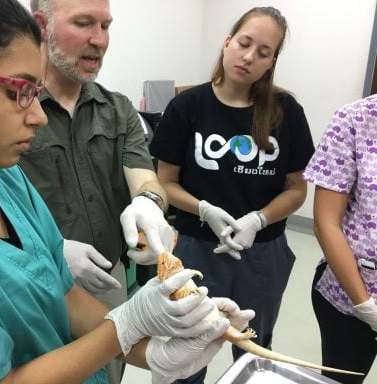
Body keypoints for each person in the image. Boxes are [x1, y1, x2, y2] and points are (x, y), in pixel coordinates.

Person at [0, 1, 256, 384]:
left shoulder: (2, 178)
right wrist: (128, 323)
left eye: (35, 91)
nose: (36, 115)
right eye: (18, 91)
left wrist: (153, 349)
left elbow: (65, 296)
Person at [149, 6, 315, 383]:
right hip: (196, 250)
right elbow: (166, 183)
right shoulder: (187, 107)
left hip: (262, 256)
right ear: (227, 42)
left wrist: (258, 220)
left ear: (272, 60)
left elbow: (296, 189)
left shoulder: (285, 111)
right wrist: (205, 209)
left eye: (263, 51)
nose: (249, 57)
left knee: (254, 351)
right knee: (188, 353)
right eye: (244, 43)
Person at [18, 1, 175, 382]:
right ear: (42, 26)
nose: (99, 40)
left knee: (108, 373)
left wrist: (149, 203)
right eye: (84, 24)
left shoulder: (118, 109)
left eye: (106, 26)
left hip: (107, 279)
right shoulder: (16, 106)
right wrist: (51, 250)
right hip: (32, 283)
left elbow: (145, 177)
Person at [303, 95, 377, 384]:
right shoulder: (354, 120)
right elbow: (326, 223)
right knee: (342, 377)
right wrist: (366, 306)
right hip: (352, 296)